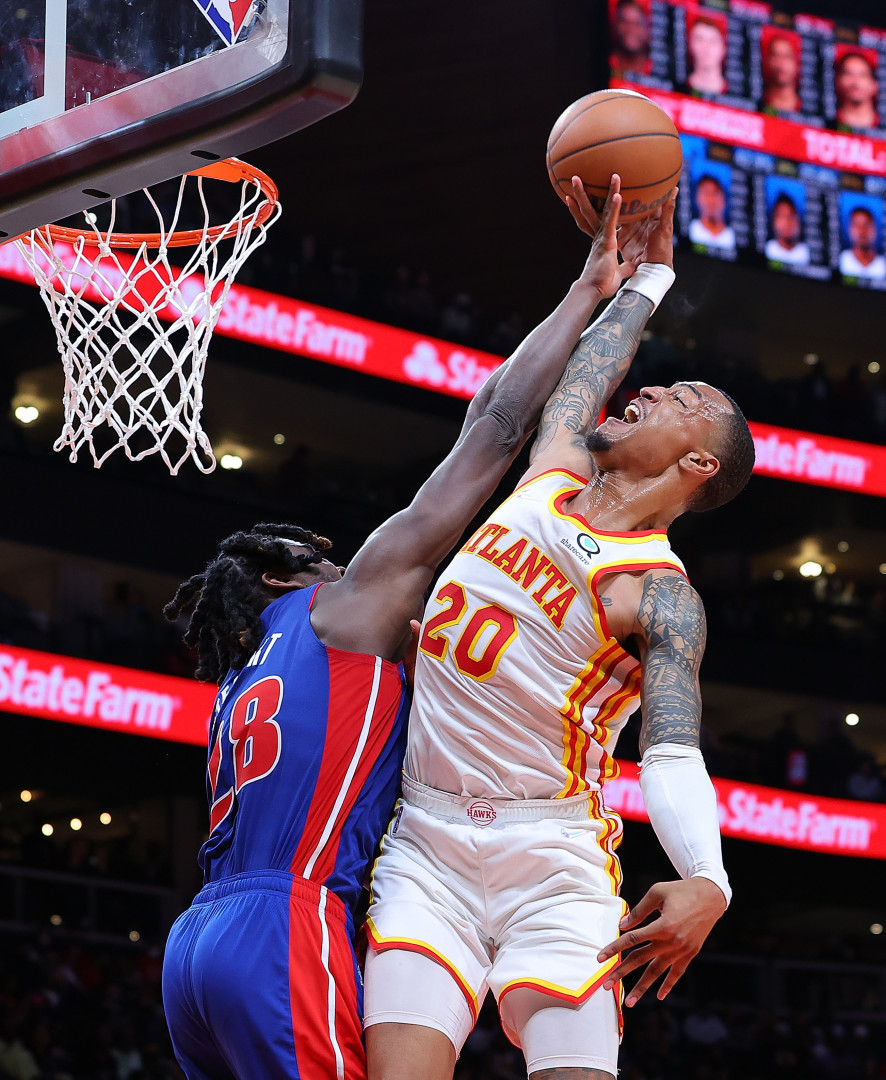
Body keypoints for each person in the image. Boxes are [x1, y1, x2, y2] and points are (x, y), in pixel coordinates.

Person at [159, 175, 669, 1080]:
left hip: (194, 945)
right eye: (321, 553)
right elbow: (498, 425)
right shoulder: (347, 608)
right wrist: (588, 292)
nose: (345, 558)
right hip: (286, 920)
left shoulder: (248, 666)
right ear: (285, 578)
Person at [363, 181, 753, 1080]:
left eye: (682, 397)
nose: (652, 387)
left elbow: (672, 751)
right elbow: (593, 366)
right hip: (425, 841)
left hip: (555, 861)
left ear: (698, 465)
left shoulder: (657, 594)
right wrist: (646, 281)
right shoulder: (551, 472)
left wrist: (709, 877)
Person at [834, 52, 880, 131]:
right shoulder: (826, 122)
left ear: (874, 85)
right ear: (838, 80)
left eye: (862, 75)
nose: (856, 82)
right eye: (848, 74)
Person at [689, 174, 736, 250]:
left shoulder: (732, 237)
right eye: (706, 193)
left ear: (723, 199)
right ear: (697, 199)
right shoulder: (691, 229)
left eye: (715, 193)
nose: (710, 200)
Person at [839, 205, 886, 279]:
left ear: (875, 229)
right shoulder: (841, 260)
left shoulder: (883, 264)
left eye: (866, 225)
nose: (862, 231)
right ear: (850, 229)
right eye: (857, 225)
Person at [685, 16, 727, 97]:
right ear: (690, 44)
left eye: (712, 41)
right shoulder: (677, 88)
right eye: (699, 39)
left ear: (723, 48)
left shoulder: (738, 96)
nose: (706, 47)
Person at [764, 193, 810, 266]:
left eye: (791, 216)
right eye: (782, 216)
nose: (787, 222)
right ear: (774, 220)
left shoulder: (807, 253)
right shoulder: (767, 249)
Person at [609, 0, 651, 77]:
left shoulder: (657, 69)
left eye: (637, 24)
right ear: (616, 25)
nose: (631, 29)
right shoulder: (605, 63)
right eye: (625, 22)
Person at [761, 34, 801, 114]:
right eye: (775, 55)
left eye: (787, 56)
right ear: (767, 61)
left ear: (797, 64)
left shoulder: (808, 110)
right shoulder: (758, 104)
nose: (781, 62)